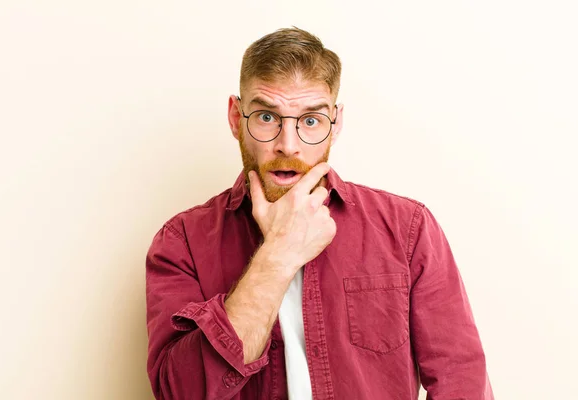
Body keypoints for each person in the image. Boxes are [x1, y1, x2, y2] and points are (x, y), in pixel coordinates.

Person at [145, 27, 494, 400]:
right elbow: (180, 394)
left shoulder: (408, 229)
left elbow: (463, 383)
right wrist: (276, 257)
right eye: (267, 117)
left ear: (335, 123)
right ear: (236, 118)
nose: (288, 145)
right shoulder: (181, 242)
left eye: (310, 121)